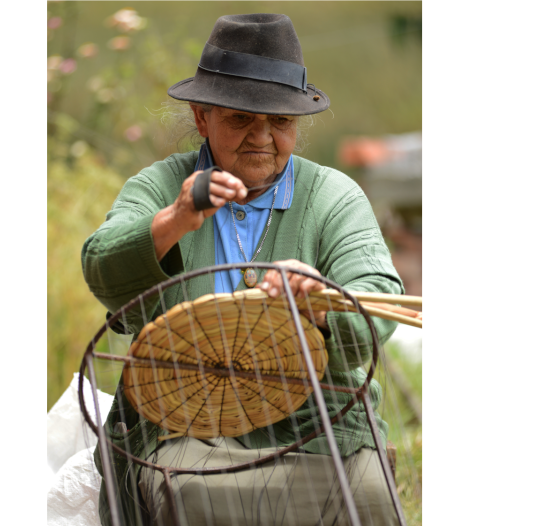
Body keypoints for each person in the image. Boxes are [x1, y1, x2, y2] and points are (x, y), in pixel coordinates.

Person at [83, 14, 404, 526]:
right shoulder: (161, 186)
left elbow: (378, 301)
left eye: (281, 123)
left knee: (364, 488)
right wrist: (177, 219)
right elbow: (101, 266)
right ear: (202, 116)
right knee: (187, 490)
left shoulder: (332, 196)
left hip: (316, 429)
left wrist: (321, 300)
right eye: (241, 119)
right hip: (183, 421)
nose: (263, 138)